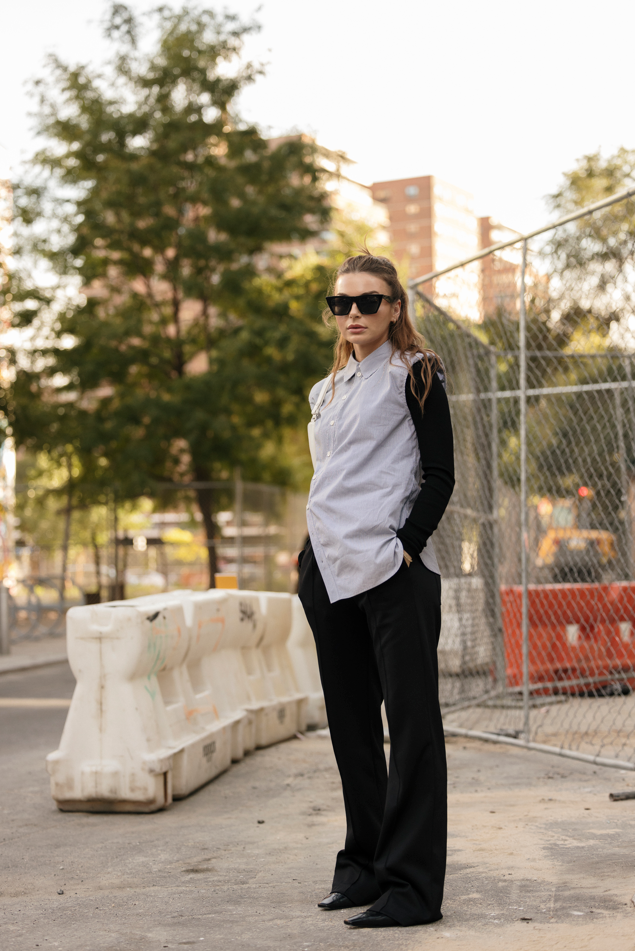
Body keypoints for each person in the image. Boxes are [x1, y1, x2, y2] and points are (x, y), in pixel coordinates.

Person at [297, 252, 455, 929]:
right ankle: (363, 863)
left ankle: (411, 886)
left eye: (368, 301)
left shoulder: (415, 373)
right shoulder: (324, 390)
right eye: (342, 303)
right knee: (351, 726)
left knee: (413, 727)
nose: (353, 313)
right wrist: (307, 554)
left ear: (395, 307)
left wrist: (406, 546)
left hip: (391, 570)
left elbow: (440, 473)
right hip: (327, 573)